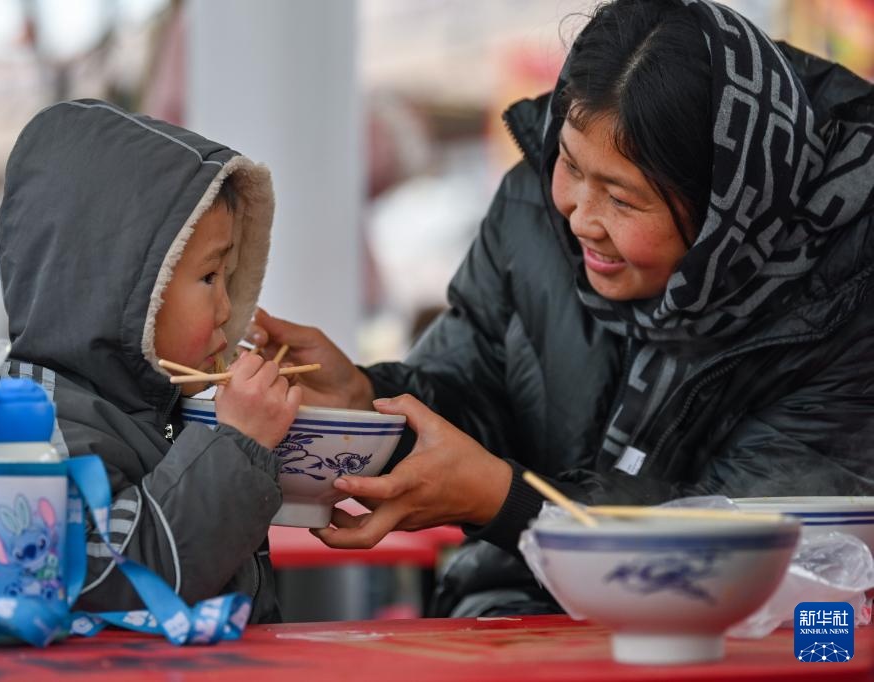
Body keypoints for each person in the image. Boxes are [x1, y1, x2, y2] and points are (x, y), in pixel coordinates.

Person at [250, 0, 874, 617]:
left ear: (727, 212)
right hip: (508, 608)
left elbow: (761, 560)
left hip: (759, 640)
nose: (579, 215)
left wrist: (506, 500)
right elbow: (471, 391)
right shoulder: (532, 211)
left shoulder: (847, 288)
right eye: (571, 165)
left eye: (623, 200)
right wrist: (365, 402)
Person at [0, 99, 300, 629]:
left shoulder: (155, 415)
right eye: (210, 278)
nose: (228, 308)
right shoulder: (34, 434)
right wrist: (238, 447)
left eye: (231, 277)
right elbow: (117, 583)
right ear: (124, 293)